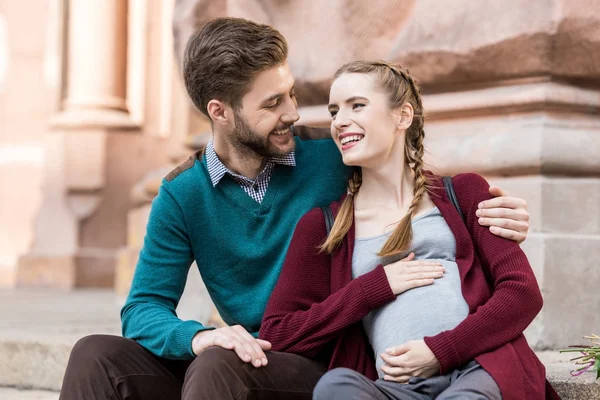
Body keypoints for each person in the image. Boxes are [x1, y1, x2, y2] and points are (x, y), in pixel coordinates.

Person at [58, 18, 532, 400]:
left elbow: (408, 175)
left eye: (291, 93)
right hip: (240, 353)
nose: (292, 112)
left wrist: (492, 209)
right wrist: (199, 336)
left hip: (323, 356)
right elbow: (143, 308)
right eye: (272, 103)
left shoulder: (329, 157)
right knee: (95, 355)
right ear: (220, 112)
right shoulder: (183, 195)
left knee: (222, 366)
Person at [260, 60, 559, 399]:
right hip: (397, 389)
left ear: (402, 116)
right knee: (334, 388)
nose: (340, 121)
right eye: (333, 111)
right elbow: (278, 332)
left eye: (356, 105)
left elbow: (522, 293)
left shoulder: (463, 194)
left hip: (479, 368)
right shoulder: (323, 226)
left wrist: (440, 350)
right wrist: (374, 287)